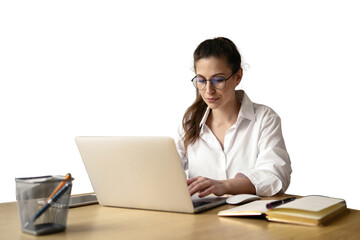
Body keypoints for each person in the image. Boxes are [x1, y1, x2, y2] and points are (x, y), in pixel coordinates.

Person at [176, 37, 292, 198]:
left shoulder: (265, 118)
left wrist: (223, 185)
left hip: (247, 217)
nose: (208, 90)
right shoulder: (190, 121)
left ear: (238, 76)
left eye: (218, 80)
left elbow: (275, 176)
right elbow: (168, 171)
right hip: (200, 218)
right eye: (201, 80)